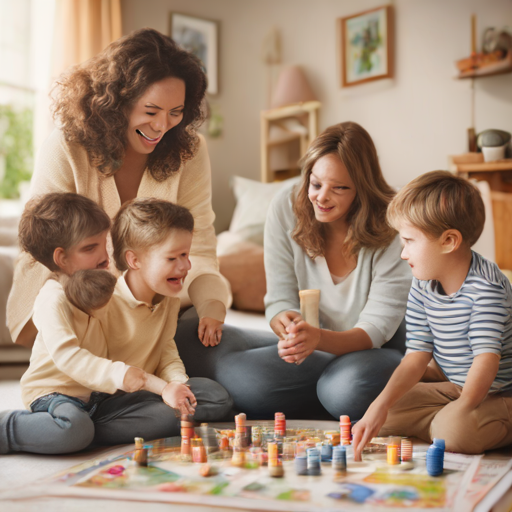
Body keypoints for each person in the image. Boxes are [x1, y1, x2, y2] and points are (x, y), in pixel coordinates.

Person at [7, 28, 229, 350]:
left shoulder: (189, 151)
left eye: (175, 113)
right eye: (150, 111)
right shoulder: (66, 146)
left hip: (161, 312)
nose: (162, 126)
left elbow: (200, 248)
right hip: (81, 313)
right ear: (116, 103)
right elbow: (42, 247)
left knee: (240, 367)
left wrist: (212, 306)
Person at [177, 122, 411, 420]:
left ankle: (323, 395)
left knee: (344, 389)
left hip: (373, 349)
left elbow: (375, 331)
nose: (322, 198)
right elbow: (279, 298)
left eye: (339, 188)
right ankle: (318, 397)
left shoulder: (392, 224)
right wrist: (287, 325)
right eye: (316, 184)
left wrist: (316, 340)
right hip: (313, 349)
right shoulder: (287, 206)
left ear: (362, 188)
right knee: (188, 336)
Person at [1, 193, 224, 454]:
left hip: (94, 396)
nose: (106, 256)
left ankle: (89, 427)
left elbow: (163, 346)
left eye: (102, 244)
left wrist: (172, 385)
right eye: (89, 248)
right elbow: (69, 357)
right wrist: (127, 376)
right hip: (54, 393)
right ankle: (8, 428)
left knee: (211, 397)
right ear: (61, 258)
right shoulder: (51, 300)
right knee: (73, 429)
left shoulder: (97, 289)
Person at [352, 171, 512, 458]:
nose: (403, 254)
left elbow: (485, 361)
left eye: (409, 241)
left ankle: (454, 425)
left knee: (456, 428)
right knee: (382, 410)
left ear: (448, 241)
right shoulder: (423, 281)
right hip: (455, 383)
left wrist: (459, 412)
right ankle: (443, 425)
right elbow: (416, 355)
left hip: (498, 391)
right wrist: (380, 406)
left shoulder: (487, 289)